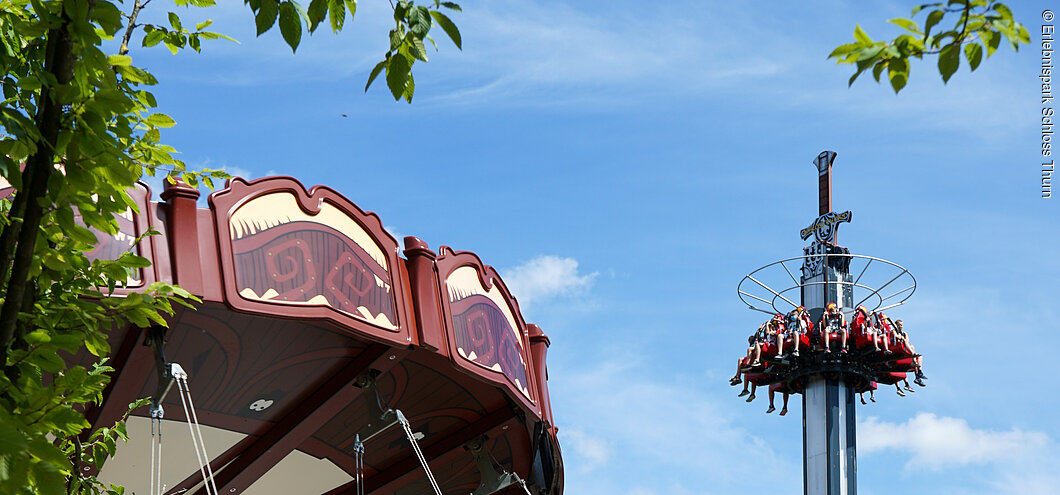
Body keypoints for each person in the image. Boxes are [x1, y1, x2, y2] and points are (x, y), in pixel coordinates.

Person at [893, 319, 927, 386]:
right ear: (896, 325)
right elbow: (895, 336)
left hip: (905, 348)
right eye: (900, 325)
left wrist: (903, 338)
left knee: (919, 356)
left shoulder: (904, 333)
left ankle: (919, 374)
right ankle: (913, 356)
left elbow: (907, 341)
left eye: (902, 325)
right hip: (897, 348)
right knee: (911, 347)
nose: (901, 326)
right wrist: (900, 337)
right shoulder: (894, 331)